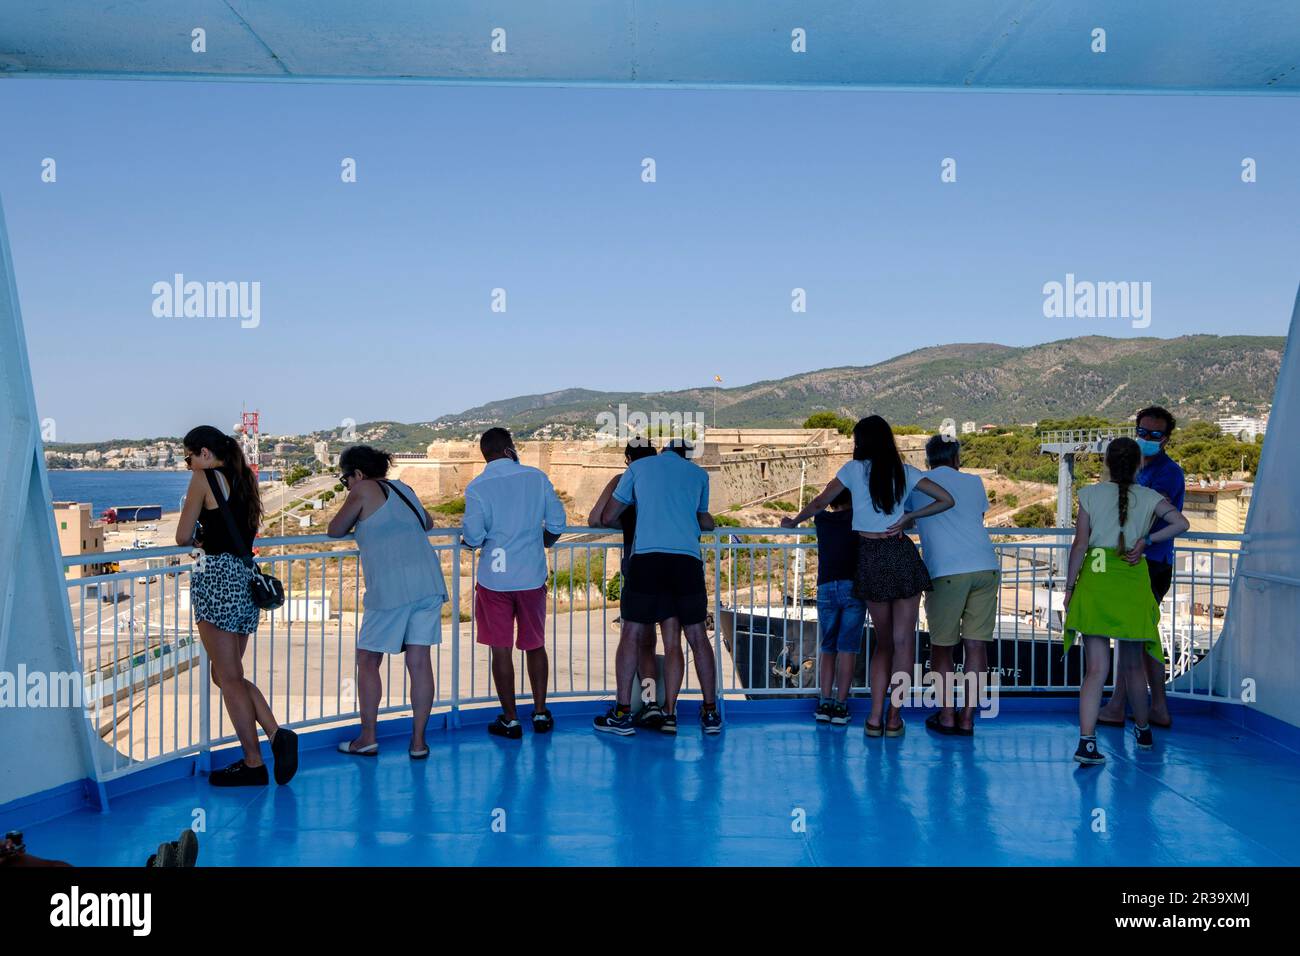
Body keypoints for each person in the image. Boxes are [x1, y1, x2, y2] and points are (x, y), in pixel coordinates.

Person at [784, 416, 954, 738]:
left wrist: (794, 521)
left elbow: (821, 501)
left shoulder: (852, 471)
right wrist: (911, 517)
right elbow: (947, 499)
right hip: (901, 554)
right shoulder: (904, 471)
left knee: (883, 644)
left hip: (871, 558)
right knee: (905, 644)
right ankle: (894, 717)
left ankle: (874, 718)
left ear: (860, 442)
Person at [176, 425, 297, 787]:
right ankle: (277, 736)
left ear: (205, 453)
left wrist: (199, 534)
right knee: (227, 674)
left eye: (189, 457)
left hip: (215, 579)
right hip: (244, 581)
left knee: (228, 677)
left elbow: (182, 536)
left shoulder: (203, 477)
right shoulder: (246, 480)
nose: (188, 465)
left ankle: (253, 761)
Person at [1064, 437, 1189, 766]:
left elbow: (1079, 546)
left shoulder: (1089, 495)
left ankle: (1087, 743)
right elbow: (1181, 523)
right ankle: (1144, 730)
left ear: (1106, 463)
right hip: (1132, 586)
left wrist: (1069, 587)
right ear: (1138, 465)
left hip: (1095, 582)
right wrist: (1147, 540)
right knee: (1133, 667)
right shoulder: (1149, 497)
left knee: (1095, 670)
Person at [328, 445, 448, 758]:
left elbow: (335, 528)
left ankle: (367, 737)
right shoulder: (403, 488)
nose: (348, 486)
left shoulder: (364, 488)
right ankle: (418, 743)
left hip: (392, 589)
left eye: (346, 480)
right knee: (419, 662)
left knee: (368, 660)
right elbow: (428, 522)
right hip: (429, 583)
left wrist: (355, 505)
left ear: (357, 473)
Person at [594, 439, 721, 736]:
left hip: (647, 558)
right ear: (686, 456)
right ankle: (706, 712)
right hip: (687, 560)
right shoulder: (699, 475)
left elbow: (608, 516)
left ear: (663, 450)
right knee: (696, 636)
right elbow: (704, 520)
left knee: (632, 634)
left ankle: (623, 713)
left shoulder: (638, 468)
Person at [462, 428, 567, 738]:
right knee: (535, 645)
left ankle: (510, 719)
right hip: (532, 576)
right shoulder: (535, 477)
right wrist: (541, 543)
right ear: (510, 449)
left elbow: (473, 537)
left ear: (485, 454)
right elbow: (558, 523)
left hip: (495, 580)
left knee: (501, 651)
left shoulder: (477, 487)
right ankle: (540, 713)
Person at [1097, 406, 1186, 730]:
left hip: (1150, 565)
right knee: (1137, 636)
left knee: (1135, 638)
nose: (1147, 439)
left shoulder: (1167, 473)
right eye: (1143, 432)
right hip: (1137, 563)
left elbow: (1146, 515)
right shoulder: (1138, 470)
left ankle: (1122, 706)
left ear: (1166, 439)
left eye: (1155, 435)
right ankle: (1149, 707)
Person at [908, 435, 1000, 736]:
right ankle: (968, 719)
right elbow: (979, 516)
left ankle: (947, 716)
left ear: (928, 458)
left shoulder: (918, 483)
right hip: (985, 566)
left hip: (946, 570)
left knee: (943, 648)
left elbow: (907, 521)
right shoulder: (974, 482)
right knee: (976, 647)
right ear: (956, 457)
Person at [587, 438, 667, 730]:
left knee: (632, 639)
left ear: (629, 459)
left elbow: (597, 518)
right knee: (652, 642)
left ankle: (622, 712)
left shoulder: (626, 478)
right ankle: (652, 705)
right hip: (672, 565)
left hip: (638, 565)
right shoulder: (665, 483)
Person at [810, 489, 863, 725]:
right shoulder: (858, 519)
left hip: (826, 587)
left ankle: (824, 702)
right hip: (853, 587)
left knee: (828, 647)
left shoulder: (821, 519)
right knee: (847, 648)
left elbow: (816, 505)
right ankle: (841, 705)